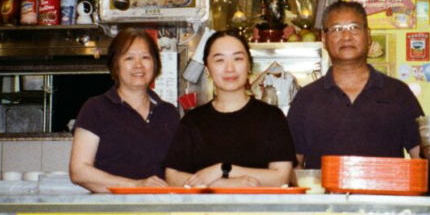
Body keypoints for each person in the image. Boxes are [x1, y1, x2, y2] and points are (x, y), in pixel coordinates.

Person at [288, 0, 425, 168]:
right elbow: (292, 164)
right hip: (323, 186)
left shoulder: (398, 92)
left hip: (385, 186)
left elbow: (421, 157)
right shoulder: (306, 98)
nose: (346, 36)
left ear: (368, 35)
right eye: (336, 29)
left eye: (354, 27)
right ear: (324, 39)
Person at [164, 30, 295, 187]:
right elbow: (172, 176)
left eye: (237, 58)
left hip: (259, 204)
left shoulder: (272, 117)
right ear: (207, 70)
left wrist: (224, 169)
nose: (230, 68)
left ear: (249, 66)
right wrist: (224, 184)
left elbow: (281, 177)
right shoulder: (193, 121)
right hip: (205, 204)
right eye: (219, 60)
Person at [69, 28, 179, 192]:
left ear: (155, 64)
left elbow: (177, 170)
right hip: (112, 207)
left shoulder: (169, 113)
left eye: (145, 57)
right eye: (129, 58)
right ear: (116, 65)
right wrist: (136, 186)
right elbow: (79, 171)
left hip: (160, 205)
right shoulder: (95, 108)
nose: (138, 65)